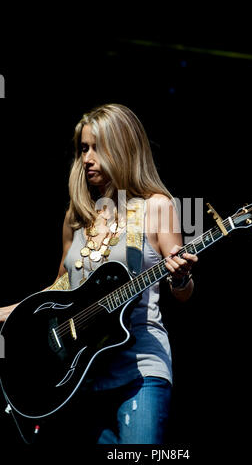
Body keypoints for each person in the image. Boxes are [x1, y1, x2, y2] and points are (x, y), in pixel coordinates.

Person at [0, 103, 198, 444]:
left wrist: (180, 278)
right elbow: (59, 290)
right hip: (80, 377)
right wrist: (10, 313)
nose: (87, 158)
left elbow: (182, 291)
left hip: (141, 370)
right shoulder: (77, 217)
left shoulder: (156, 206)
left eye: (96, 148)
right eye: (83, 149)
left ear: (121, 148)